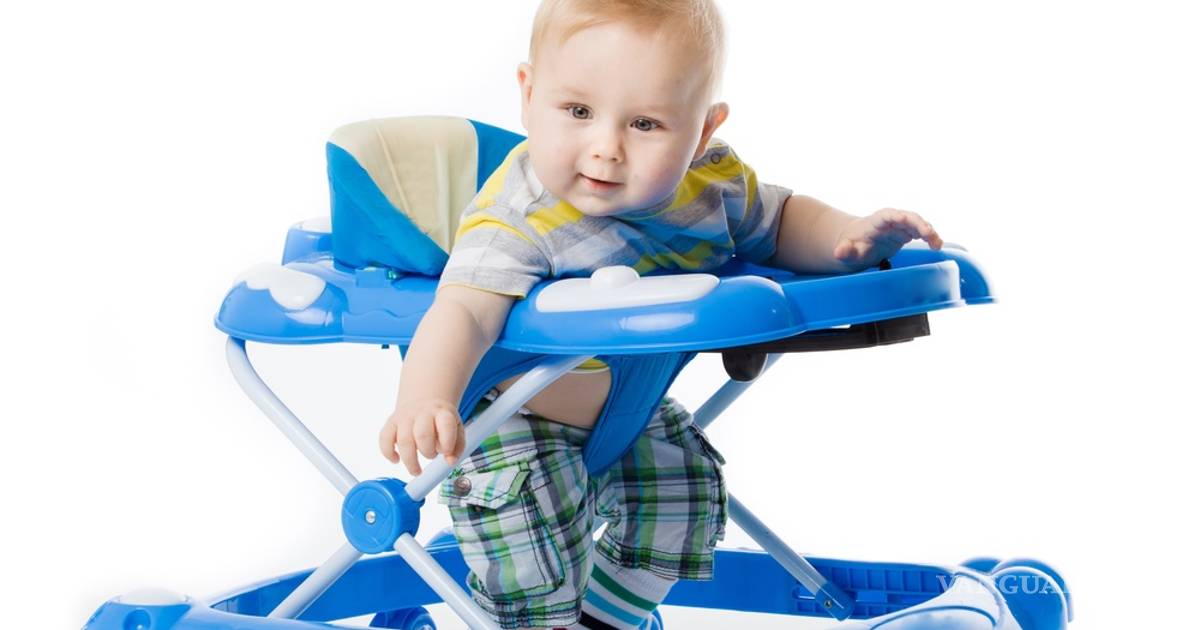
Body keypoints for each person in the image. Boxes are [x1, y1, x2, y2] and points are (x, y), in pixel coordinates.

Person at [378, 1, 943, 627]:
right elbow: (463, 312)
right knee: (531, 559)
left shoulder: (710, 185)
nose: (607, 148)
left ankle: (604, 621)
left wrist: (847, 238)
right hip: (512, 416)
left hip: (631, 407)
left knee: (687, 497)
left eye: (645, 123)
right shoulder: (516, 220)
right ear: (529, 95)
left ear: (701, 131)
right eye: (578, 111)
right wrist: (425, 396)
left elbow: (782, 222)